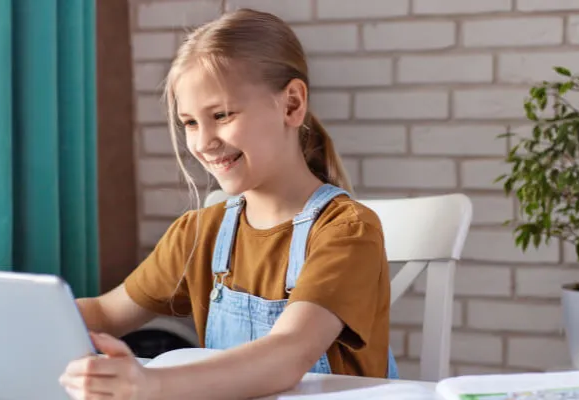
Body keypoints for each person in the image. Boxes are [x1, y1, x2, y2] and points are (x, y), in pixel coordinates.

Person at [59, 8, 397, 400]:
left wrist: (151, 384)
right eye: (190, 122)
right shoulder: (199, 233)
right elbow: (105, 313)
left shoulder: (347, 231)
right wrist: (16, 318)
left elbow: (287, 355)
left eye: (221, 115)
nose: (203, 143)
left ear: (291, 104)